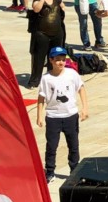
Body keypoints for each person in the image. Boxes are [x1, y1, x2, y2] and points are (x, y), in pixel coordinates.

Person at [35, 46, 88, 182]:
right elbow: (41, 97)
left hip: (70, 115)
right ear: (51, 60)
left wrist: (85, 108)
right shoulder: (46, 78)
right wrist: (39, 115)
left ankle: (74, 170)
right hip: (53, 117)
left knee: (73, 145)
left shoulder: (72, 74)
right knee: (52, 146)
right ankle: (50, 171)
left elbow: (81, 89)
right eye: (57, 60)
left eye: (63, 60)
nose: (61, 63)